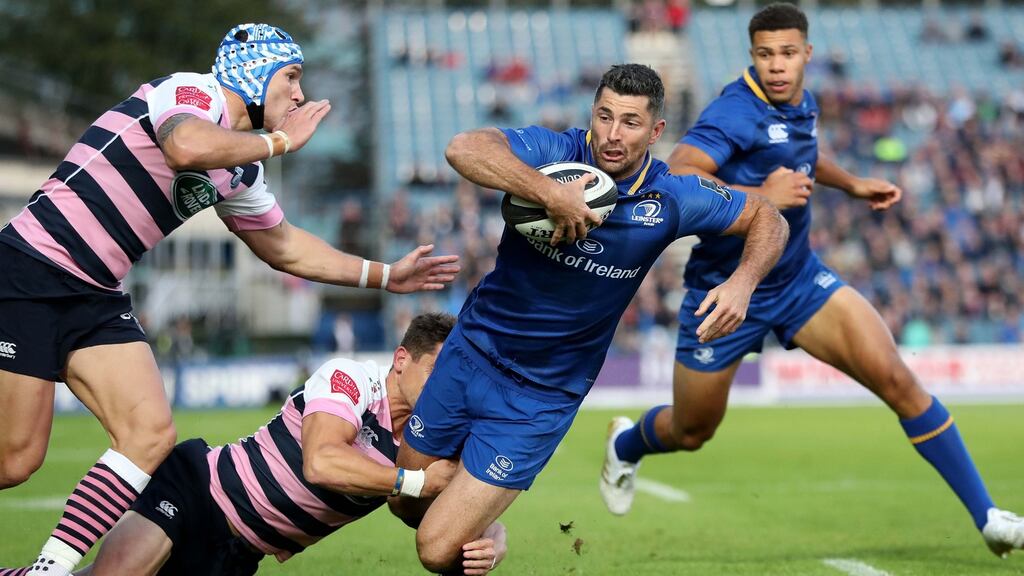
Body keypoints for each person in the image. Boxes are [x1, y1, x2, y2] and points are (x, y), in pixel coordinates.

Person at [0, 22, 459, 576]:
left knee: (150, 433)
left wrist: (386, 275)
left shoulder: (242, 169)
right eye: (290, 78)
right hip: (32, 266)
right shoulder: (191, 92)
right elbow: (185, 144)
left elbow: (285, 247)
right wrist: (283, 140)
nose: (298, 94)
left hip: (96, 292)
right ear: (256, 71)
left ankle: (48, 569)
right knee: (16, 457)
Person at [598, 2, 1024, 559]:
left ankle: (988, 514)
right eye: (766, 55)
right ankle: (626, 442)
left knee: (898, 380)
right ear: (752, 56)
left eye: (788, 54)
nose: (777, 66)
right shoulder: (735, 111)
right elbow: (679, 171)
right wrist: (760, 201)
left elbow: (801, 153)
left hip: (799, 281)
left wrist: (850, 184)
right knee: (692, 431)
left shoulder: (802, 101)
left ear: (807, 55)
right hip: (725, 292)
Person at [388, 63, 790, 573]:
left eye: (630, 122)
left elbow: (766, 217)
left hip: (540, 397)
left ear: (655, 131)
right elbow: (463, 148)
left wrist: (743, 282)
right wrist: (548, 192)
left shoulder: (670, 197)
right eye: (604, 117)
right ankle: (476, 522)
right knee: (404, 500)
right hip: (469, 355)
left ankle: (485, 533)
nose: (613, 135)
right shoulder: (557, 153)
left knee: (437, 549)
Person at [61, 312, 504, 576]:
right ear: (401, 359)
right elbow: (322, 463)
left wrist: (494, 540)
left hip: (240, 552)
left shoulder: (431, 441)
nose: (446, 389)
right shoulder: (351, 379)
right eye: (437, 373)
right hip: (200, 491)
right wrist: (415, 482)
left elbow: (464, 503)